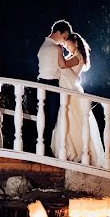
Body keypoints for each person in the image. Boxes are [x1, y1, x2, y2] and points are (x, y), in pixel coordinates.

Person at [50, 32, 106, 165]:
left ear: (75, 43)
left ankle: (76, 150)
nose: (67, 47)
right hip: (68, 89)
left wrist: (58, 51)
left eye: (68, 44)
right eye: (65, 45)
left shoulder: (77, 57)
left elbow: (62, 65)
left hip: (71, 91)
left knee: (72, 120)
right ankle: (71, 149)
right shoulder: (74, 56)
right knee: (69, 120)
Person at [36, 20, 71, 157]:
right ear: (58, 32)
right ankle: (44, 148)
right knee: (50, 117)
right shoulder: (55, 48)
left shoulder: (43, 46)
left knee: (43, 116)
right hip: (50, 85)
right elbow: (62, 66)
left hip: (40, 84)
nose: (65, 40)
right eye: (65, 37)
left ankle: (41, 145)